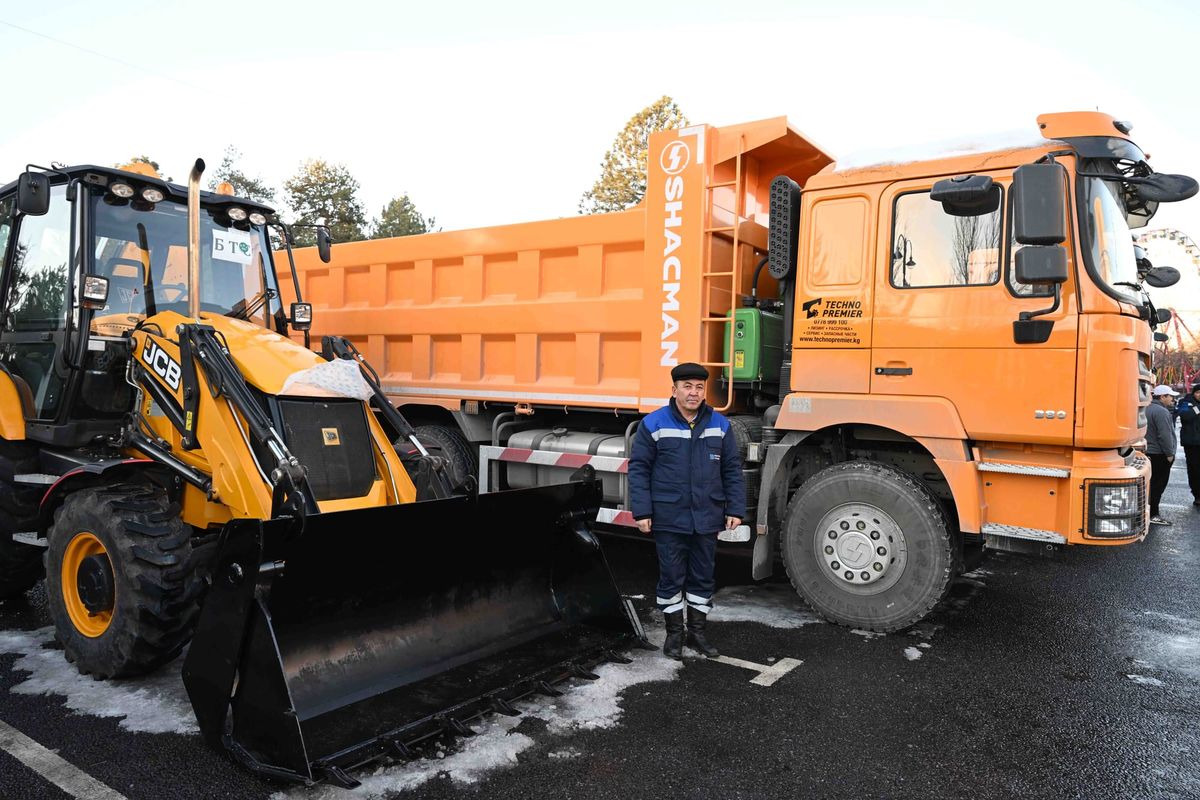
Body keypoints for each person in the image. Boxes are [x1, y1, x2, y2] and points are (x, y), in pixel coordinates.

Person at [628, 362, 745, 661]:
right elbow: (639, 469)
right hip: (670, 516)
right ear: (674, 390)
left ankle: (697, 633)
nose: (693, 393)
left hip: (707, 516)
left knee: (703, 577)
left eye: (699, 387)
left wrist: (735, 507)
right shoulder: (654, 424)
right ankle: (674, 635)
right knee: (671, 578)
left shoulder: (720, 425)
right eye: (687, 387)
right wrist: (642, 511)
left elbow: (732, 469)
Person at [1146, 384, 1180, 525]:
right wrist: (1170, 454)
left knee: (1150, 485)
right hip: (1159, 454)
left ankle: (1148, 512)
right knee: (1158, 486)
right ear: (1162, 396)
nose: (1172, 399)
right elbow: (1165, 435)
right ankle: (1154, 514)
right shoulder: (1162, 412)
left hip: (1149, 452)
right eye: (1170, 396)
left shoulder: (1146, 408)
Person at [1176, 383, 1200, 507]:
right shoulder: (1185, 402)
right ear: (1194, 393)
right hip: (1191, 443)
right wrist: (1198, 409)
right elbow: (1185, 416)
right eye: (1198, 392)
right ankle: (1197, 494)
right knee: (1194, 469)